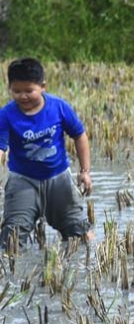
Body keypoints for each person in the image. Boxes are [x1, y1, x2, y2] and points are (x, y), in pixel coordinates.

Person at [0, 58, 93, 251]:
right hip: (22, 181)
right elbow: (1, 148)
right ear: (9, 88)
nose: (23, 96)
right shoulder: (6, 114)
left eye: (29, 91)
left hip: (58, 178)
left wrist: (85, 171)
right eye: (17, 91)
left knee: (80, 232)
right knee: (11, 240)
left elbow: (80, 135)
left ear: (42, 87)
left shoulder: (59, 107)